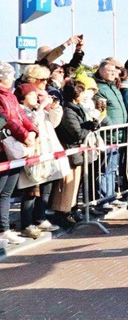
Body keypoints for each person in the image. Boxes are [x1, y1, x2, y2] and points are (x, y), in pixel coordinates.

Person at [16, 82, 63, 238]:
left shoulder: (38, 110)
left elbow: (54, 122)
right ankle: (26, 223)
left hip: (46, 154)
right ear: (22, 97)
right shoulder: (22, 111)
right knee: (30, 191)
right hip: (32, 154)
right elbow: (31, 124)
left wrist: (55, 107)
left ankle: (40, 217)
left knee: (46, 188)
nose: (35, 98)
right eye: (31, 94)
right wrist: (41, 108)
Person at [52, 82, 100, 228]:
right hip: (70, 151)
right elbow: (76, 133)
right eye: (82, 92)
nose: (85, 94)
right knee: (67, 186)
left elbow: (79, 128)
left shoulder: (76, 109)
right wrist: (89, 129)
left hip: (77, 152)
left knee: (74, 185)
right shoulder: (68, 111)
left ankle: (71, 210)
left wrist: (89, 125)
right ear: (75, 94)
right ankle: (63, 213)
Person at [0, 62, 38, 245]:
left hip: (14, 149)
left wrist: (32, 131)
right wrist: (24, 135)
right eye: (10, 75)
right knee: (1, 190)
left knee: (6, 192)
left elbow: (21, 117)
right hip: (3, 150)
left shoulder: (11, 96)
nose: (13, 78)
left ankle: (4, 229)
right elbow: (6, 121)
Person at [94, 58, 128, 202]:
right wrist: (111, 124)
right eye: (111, 71)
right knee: (105, 168)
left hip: (119, 133)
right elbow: (101, 111)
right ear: (102, 71)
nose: (115, 74)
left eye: (116, 71)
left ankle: (111, 195)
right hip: (109, 134)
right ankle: (104, 199)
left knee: (113, 168)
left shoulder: (113, 87)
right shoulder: (99, 89)